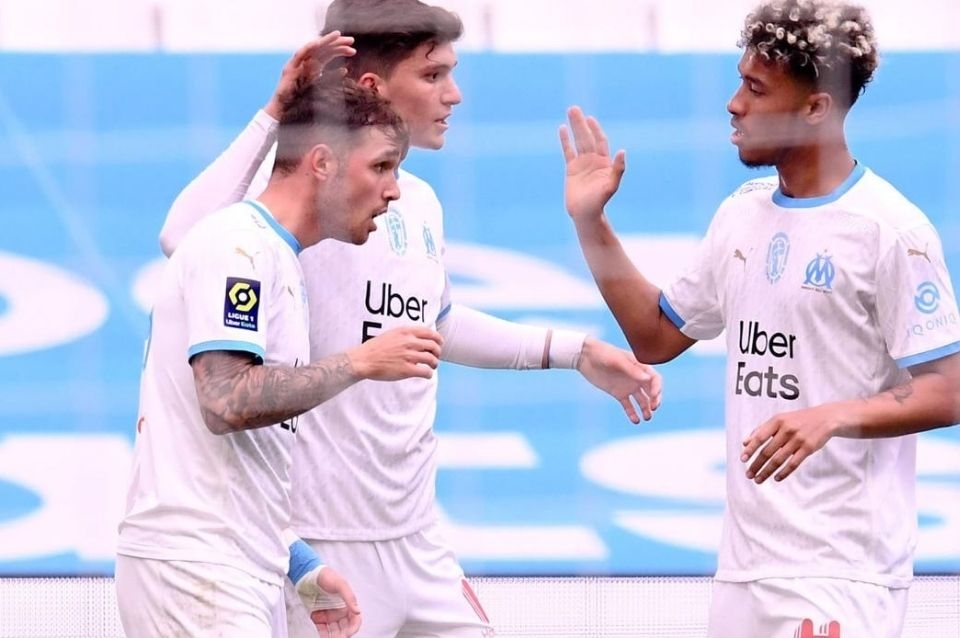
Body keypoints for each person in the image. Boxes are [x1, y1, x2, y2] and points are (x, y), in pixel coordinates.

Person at [157, 2, 664, 636]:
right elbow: (184, 237)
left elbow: (432, 325)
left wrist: (575, 352)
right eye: (433, 75)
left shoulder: (416, 200)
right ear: (371, 86)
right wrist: (273, 113)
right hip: (320, 541)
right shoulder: (303, 188)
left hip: (419, 539)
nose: (454, 94)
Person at [559, 0, 960, 636]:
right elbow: (655, 336)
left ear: (815, 108)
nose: (733, 104)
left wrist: (833, 415)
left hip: (842, 574)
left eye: (755, 89)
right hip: (744, 568)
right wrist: (591, 222)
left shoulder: (889, 230)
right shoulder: (741, 213)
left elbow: (949, 389)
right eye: (739, 82)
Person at [116, 69, 446, 638]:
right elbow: (226, 400)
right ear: (322, 163)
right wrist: (360, 361)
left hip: (236, 566)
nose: (394, 191)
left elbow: (245, 459)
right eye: (381, 167)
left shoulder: (279, 258)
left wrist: (300, 564)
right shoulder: (238, 247)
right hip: (195, 569)